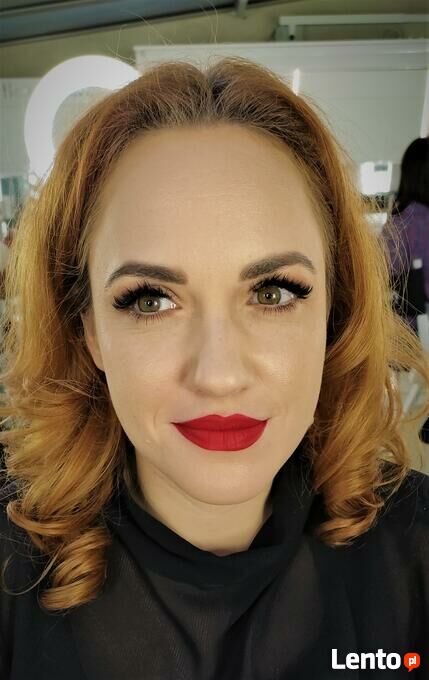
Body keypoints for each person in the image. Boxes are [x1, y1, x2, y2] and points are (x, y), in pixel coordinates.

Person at [0, 57, 428, 680]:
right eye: (151, 300)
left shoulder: (416, 551)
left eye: (273, 292)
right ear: (90, 331)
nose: (220, 375)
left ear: (334, 311)